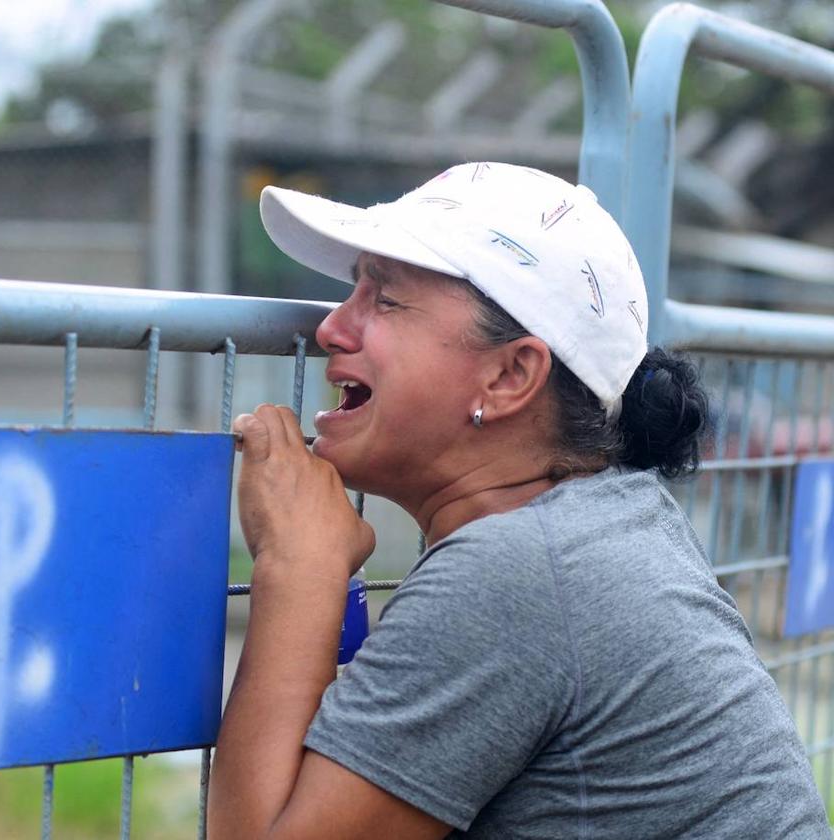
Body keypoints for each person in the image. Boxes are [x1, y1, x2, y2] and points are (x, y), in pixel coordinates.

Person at [207, 162, 829, 839]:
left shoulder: (520, 571)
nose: (332, 328)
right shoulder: (610, 522)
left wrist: (298, 567)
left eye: (385, 300)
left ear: (510, 376)